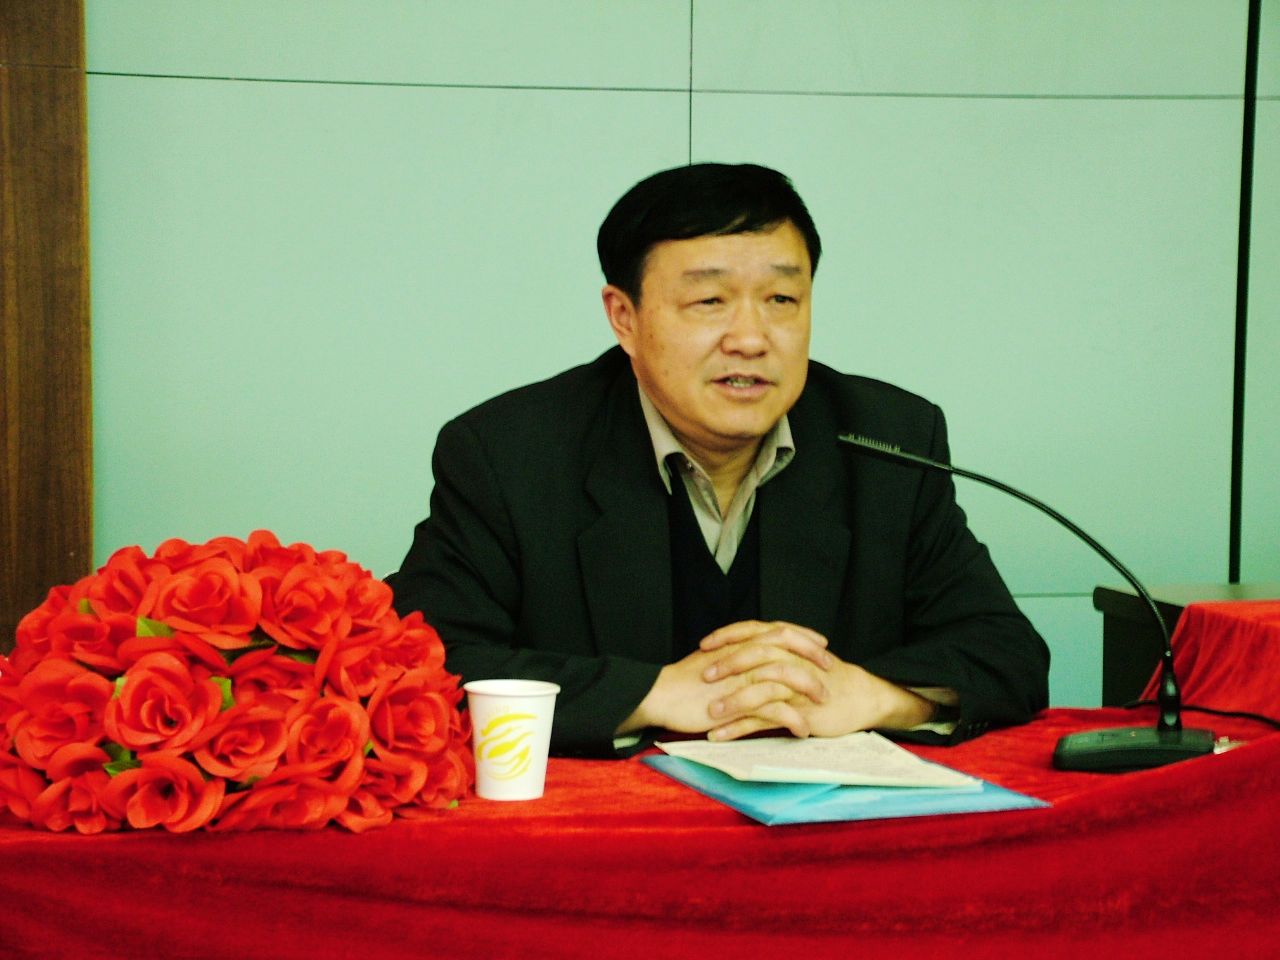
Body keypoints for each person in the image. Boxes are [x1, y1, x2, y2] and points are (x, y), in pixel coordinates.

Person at [387, 162, 1049, 757]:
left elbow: (1007, 652)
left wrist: (872, 696)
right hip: (611, 836)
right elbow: (420, 668)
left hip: (817, 835)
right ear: (624, 317)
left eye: (782, 300)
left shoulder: (887, 442)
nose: (751, 339)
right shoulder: (510, 454)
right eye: (710, 301)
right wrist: (653, 694)